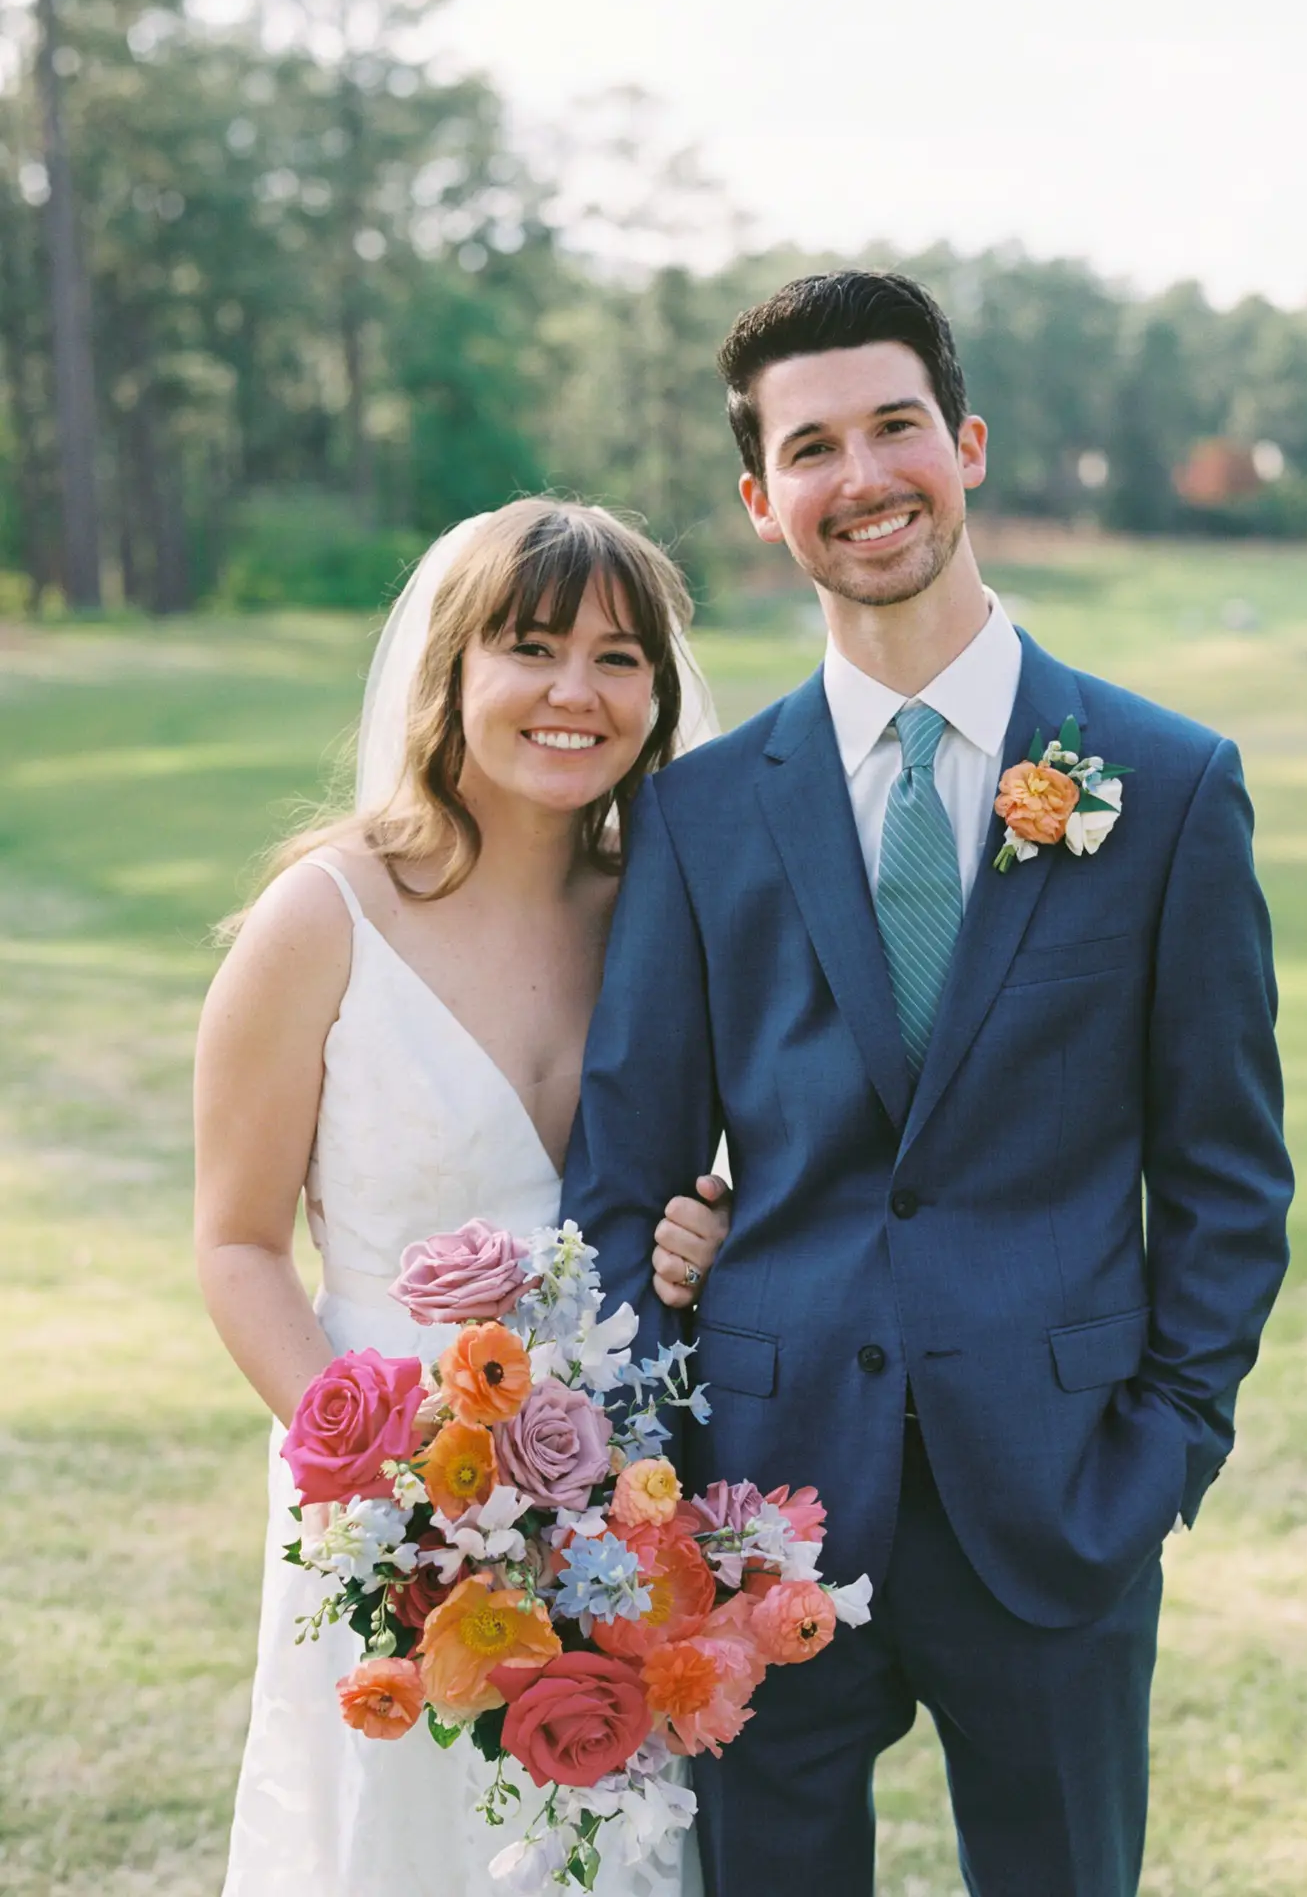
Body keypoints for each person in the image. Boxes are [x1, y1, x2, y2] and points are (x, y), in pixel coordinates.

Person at [563, 272, 1294, 1897]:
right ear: (764, 503)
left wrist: (1164, 1446)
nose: (864, 474)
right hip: (760, 1510)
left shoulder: (1168, 788)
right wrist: (657, 1480)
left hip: (1061, 1497)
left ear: (964, 444)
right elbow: (622, 1178)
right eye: (811, 447)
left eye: (896, 425)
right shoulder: (697, 820)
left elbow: (1230, 1174)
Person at [194, 498, 724, 1897]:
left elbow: (735, 1156)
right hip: (381, 1492)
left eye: (620, 657)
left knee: (608, 1844)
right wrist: (393, 1491)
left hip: (620, 1494)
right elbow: (238, 1244)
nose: (574, 691)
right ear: (451, 674)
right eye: (531, 647)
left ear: (659, 694)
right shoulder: (324, 917)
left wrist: (716, 1219)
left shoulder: (670, 918)